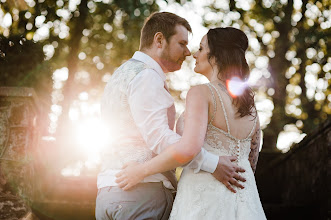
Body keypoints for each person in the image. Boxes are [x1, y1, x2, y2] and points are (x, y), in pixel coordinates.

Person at [96, 12, 246, 220]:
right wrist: (212, 163)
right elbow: (159, 137)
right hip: (141, 193)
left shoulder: (122, 73)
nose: (187, 52)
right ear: (159, 40)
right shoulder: (146, 76)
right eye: (182, 43)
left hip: (109, 193)